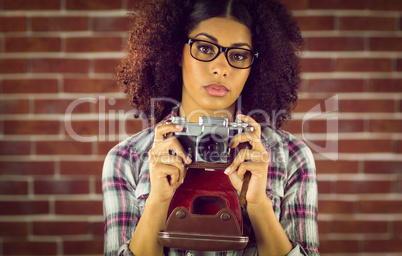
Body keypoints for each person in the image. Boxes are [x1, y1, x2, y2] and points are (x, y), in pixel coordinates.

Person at [102, 0, 319, 255]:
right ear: (175, 52)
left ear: (255, 65)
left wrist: (259, 204)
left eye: (238, 55)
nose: (220, 68)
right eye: (205, 48)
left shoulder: (291, 156)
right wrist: (157, 202)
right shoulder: (126, 159)